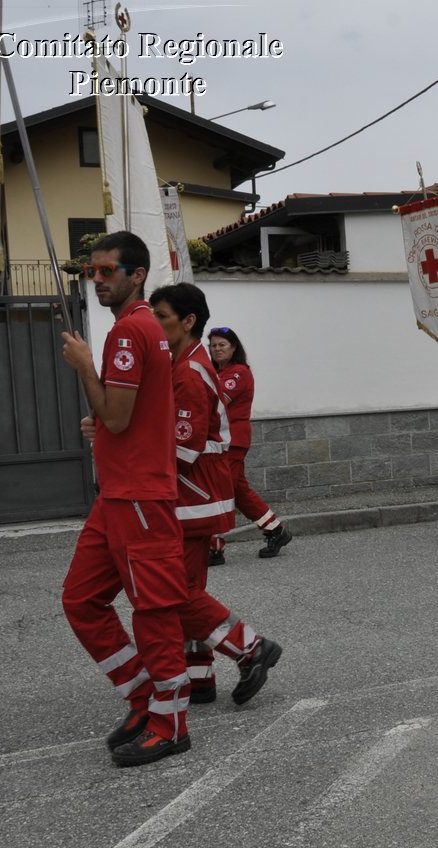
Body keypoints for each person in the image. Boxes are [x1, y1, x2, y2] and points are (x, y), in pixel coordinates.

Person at [59, 231, 192, 767]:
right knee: (81, 599)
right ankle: (144, 698)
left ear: (136, 275)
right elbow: (120, 418)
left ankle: (172, 722)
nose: (98, 279)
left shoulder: (128, 332)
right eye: (93, 271)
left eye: (107, 271)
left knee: (154, 613)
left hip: (137, 494)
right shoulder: (135, 329)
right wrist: (105, 420)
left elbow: (116, 416)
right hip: (118, 493)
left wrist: (84, 366)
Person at [148, 283, 283, 707]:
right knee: (188, 587)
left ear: (187, 322)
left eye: (161, 316)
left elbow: (181, 450)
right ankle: (200, 677)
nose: (153, 324)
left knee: (175, 593)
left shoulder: (191, 372)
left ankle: (250, 648)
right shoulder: (185, 363)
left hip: (192, 496)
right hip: (196, 496)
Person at [207, 327, 293, 563]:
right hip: (221, 441)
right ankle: (275, 530)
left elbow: (215, 403)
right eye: (213, 345)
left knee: (217, 491)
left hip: (231, 441)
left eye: (222, 344)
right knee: (237, 490)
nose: (217, 349)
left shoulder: (238, 373)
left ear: (233, 347)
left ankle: (214, 548)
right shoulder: (217, 373)